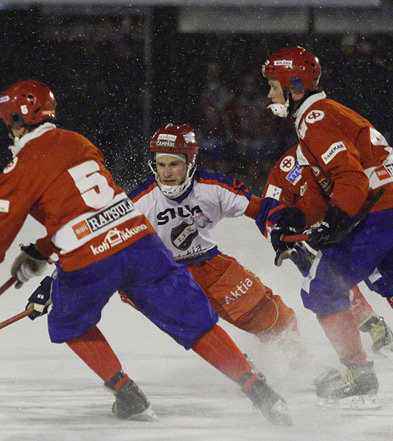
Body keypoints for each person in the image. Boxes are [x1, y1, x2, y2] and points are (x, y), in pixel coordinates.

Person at [0, 79, 292, 426]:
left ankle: (128, 394)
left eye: (7, 122)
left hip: (89, 259)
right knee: (193, 318)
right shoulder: (77, 141)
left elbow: (1, 223)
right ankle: (257, 389)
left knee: (68, 322)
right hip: (139, 241)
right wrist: (42, 251)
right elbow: (89, 208)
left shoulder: (21, 165)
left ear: (16, 120)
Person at [260, 46, 393, 408]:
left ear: (295, 86)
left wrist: (338, 221)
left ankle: (357, 373)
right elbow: (336, 185)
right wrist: (298, 219)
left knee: (322, 287)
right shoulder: (331, 112)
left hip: (382, 208)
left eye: (274, 86)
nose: (270, 94)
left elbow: (350, 177)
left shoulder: (313, 117)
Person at [265, 144, 393, 356]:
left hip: (351, 224)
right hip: (316, 235)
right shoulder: (288, 168)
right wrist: (289, 241)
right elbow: (269, 213)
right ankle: (371, 325)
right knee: (331, 282)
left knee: (384, 278)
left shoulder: (339, 147)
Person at [127, 123, 300, 350]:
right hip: (162, 276)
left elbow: (259, 209)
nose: (166, 173)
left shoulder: (213, 186)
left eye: (174, 164)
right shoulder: (138, 202)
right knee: (200, 334)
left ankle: (299, 365)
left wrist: (281, 226)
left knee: (272, 316)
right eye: (161, 164)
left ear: (190, 163)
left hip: (207, 266)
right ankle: (241, 372)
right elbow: (107, 240)